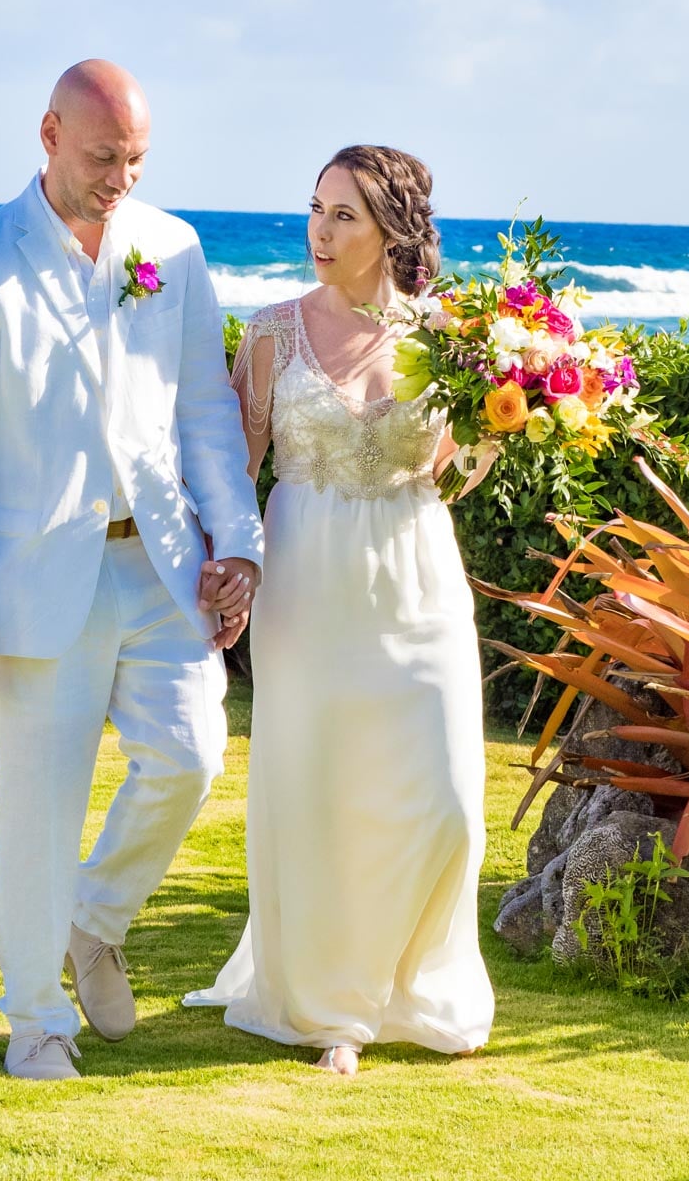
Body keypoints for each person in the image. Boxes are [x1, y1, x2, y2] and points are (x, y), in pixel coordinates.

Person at [0, 59, 263, 1080]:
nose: (122, 177)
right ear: (50, 134)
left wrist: (234, 542)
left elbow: (204, 406)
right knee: (41, 806)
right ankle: (36, 1021)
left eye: (138, 159)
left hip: (162, 566)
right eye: (106, 156)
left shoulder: (173, 248)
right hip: (30, 584)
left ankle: (94, 916)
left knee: (193, 755)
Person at [183, 145, 494, 1074]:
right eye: (315, 209)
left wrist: (512, 417)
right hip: (307, 579)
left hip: (416, 571)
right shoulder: (271, 332)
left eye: (344, 214)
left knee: (443, 801)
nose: (320, 230)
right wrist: (224, 568)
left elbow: (466, 460)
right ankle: (331, 1009)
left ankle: (412, 986)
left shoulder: (455, 338)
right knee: (317, 791)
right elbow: (231, 469)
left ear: (392, 228)